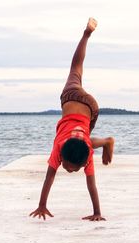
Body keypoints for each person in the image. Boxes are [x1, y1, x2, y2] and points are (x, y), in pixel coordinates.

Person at [29, 18, 114, 222]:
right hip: (84, 103)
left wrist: (97, 213)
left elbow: (90, 184)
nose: (67, 170)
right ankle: (107, 141)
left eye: (70, 168)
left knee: (76, 68)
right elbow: (50, 177)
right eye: (68, 167)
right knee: (76, 68)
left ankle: (86, 34)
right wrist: (41, 206)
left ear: (85, 160)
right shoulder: (67, 148)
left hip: (85, 105)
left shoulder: (63, 148)